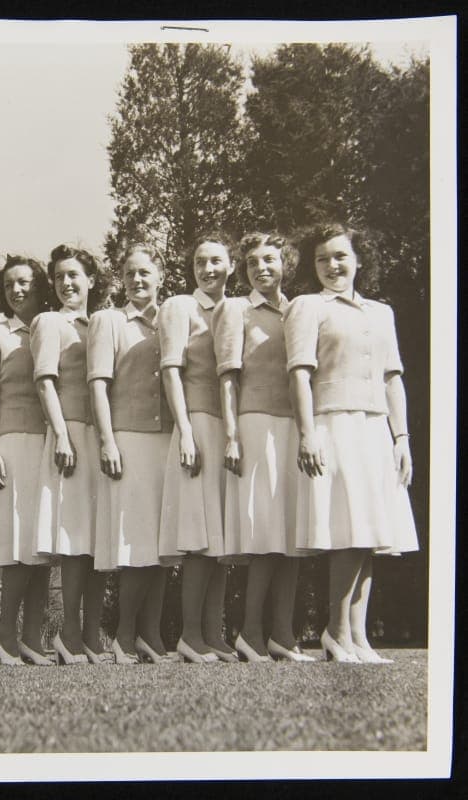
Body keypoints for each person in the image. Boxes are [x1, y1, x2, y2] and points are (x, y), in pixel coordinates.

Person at [286, 222, 418, 663]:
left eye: (340, 256)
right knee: (347, 529)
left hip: (374, 428)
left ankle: (358, 637)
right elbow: (300, 374)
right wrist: (307, 433)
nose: (332, 265)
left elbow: (392, 378)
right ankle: (335, 632)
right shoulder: (308, 306)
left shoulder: (382, 312)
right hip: (332, 424)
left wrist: (402, 438)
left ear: (359, 259)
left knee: (369, 534)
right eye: (322, 258)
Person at [215, 233, 314, 663]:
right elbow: (227, 377)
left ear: (285, 263)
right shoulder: (236, 309)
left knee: (292, 536)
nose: (261, 267)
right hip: (256, 428)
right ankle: (250, 635)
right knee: (264, 536)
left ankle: (283, 636)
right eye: (253, 262)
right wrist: (233, 435)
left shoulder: (299, 311)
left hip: (294, 428)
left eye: (269, 259)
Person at [88, 244, 175, 664]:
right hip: (129, 440)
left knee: (162, 545)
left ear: (159, 275)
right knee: (136, 544)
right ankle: (123, 637)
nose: (137, 281)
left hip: (168, 440)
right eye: (129, 274)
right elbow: (98, 384)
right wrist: (107, 440)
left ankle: (151, 636)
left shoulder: (173, 320)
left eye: (145, 272)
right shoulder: (109, 320)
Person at [158, 232, 237, 663]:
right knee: (199, 538)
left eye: (217, 261)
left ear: (231, 266)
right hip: (197, 426)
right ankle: (190, 635)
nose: (208, 269)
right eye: (200, 262)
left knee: (220, 541)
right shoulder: (179, 307)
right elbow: (171, 371)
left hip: (226, 429)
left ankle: (214, 633)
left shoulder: (233, 309)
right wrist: (186, 431)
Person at [31, 244, 109, 665]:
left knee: (98, 538)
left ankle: (93, 632)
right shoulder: (49, 322)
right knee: (76, 538)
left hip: (101, 435)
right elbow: (45, 382)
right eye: (59, 276)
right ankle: (69, 633)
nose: (67, 283)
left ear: (91, 280)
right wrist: (62, 435)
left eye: (74, 275)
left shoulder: (98, 323)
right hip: (70, 435)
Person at [0, 255, 52, 666]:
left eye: (24, 283)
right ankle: (4, 636)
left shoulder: (49, 325)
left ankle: (32, 638)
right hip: (13, 440)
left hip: (49, 443)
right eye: (9, 286)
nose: (17, 291)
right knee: (19, 545)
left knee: (42, 545)